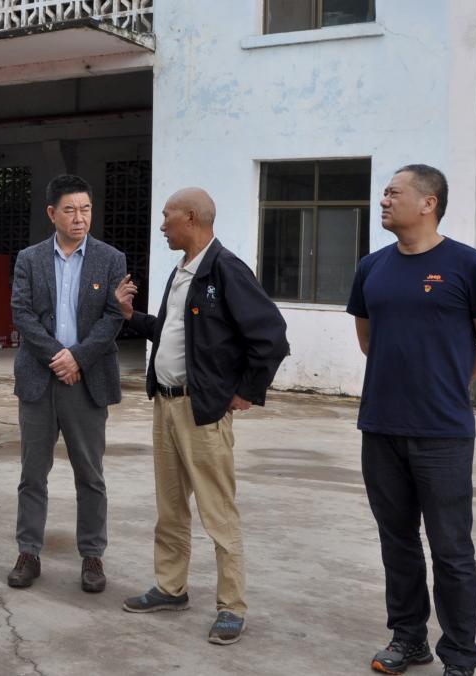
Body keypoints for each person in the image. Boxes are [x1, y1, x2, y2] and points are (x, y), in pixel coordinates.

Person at [347, 165, 476, 676]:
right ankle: (409, 638)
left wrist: (449, 383)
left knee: (451, 549)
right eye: (384, 193)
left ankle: (460, 657)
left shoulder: (469, 265)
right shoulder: (372, 267)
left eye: (393, 193)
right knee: (397, 542)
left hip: (442, 433)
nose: (383, 200)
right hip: (381, 426)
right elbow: (368, 340)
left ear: (428, 202)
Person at [115, 187, 288, 644]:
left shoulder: (225, 269)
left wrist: (246, 391)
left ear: (190, 217)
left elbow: (271, 336)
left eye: (167, 216)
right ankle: (171, 588)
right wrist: (131, 316)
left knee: (217, 511)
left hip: (202, 410)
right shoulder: (182, 271)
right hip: (166, 405)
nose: (162, 225)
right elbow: (175, 333)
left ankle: (231, 606)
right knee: (170, 507)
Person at [7, 174, 126, 593]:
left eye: (86, 209)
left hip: (87, 380)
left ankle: (92, 556)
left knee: (90, 474)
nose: (80, 218)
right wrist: (59, 356)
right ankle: (28, 552)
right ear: (52, 213)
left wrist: (78, 357)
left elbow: (114, 316)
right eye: (71, 210)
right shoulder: (29, 258)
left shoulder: (111, 259)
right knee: (32, 473)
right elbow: (21, 312)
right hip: (40, 379)